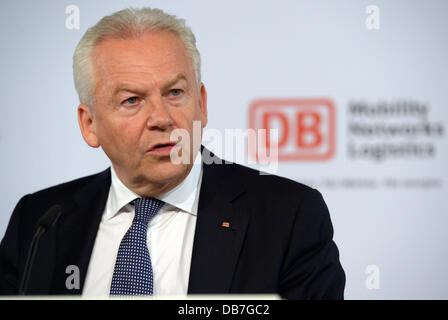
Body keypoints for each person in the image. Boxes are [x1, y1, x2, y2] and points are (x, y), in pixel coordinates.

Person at [0, 7, 345, 299]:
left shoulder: (289, 217)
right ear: (89, 124)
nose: (162, 118)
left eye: (176, 92)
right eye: (132, 100)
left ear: (202, 103)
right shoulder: (40, 221)